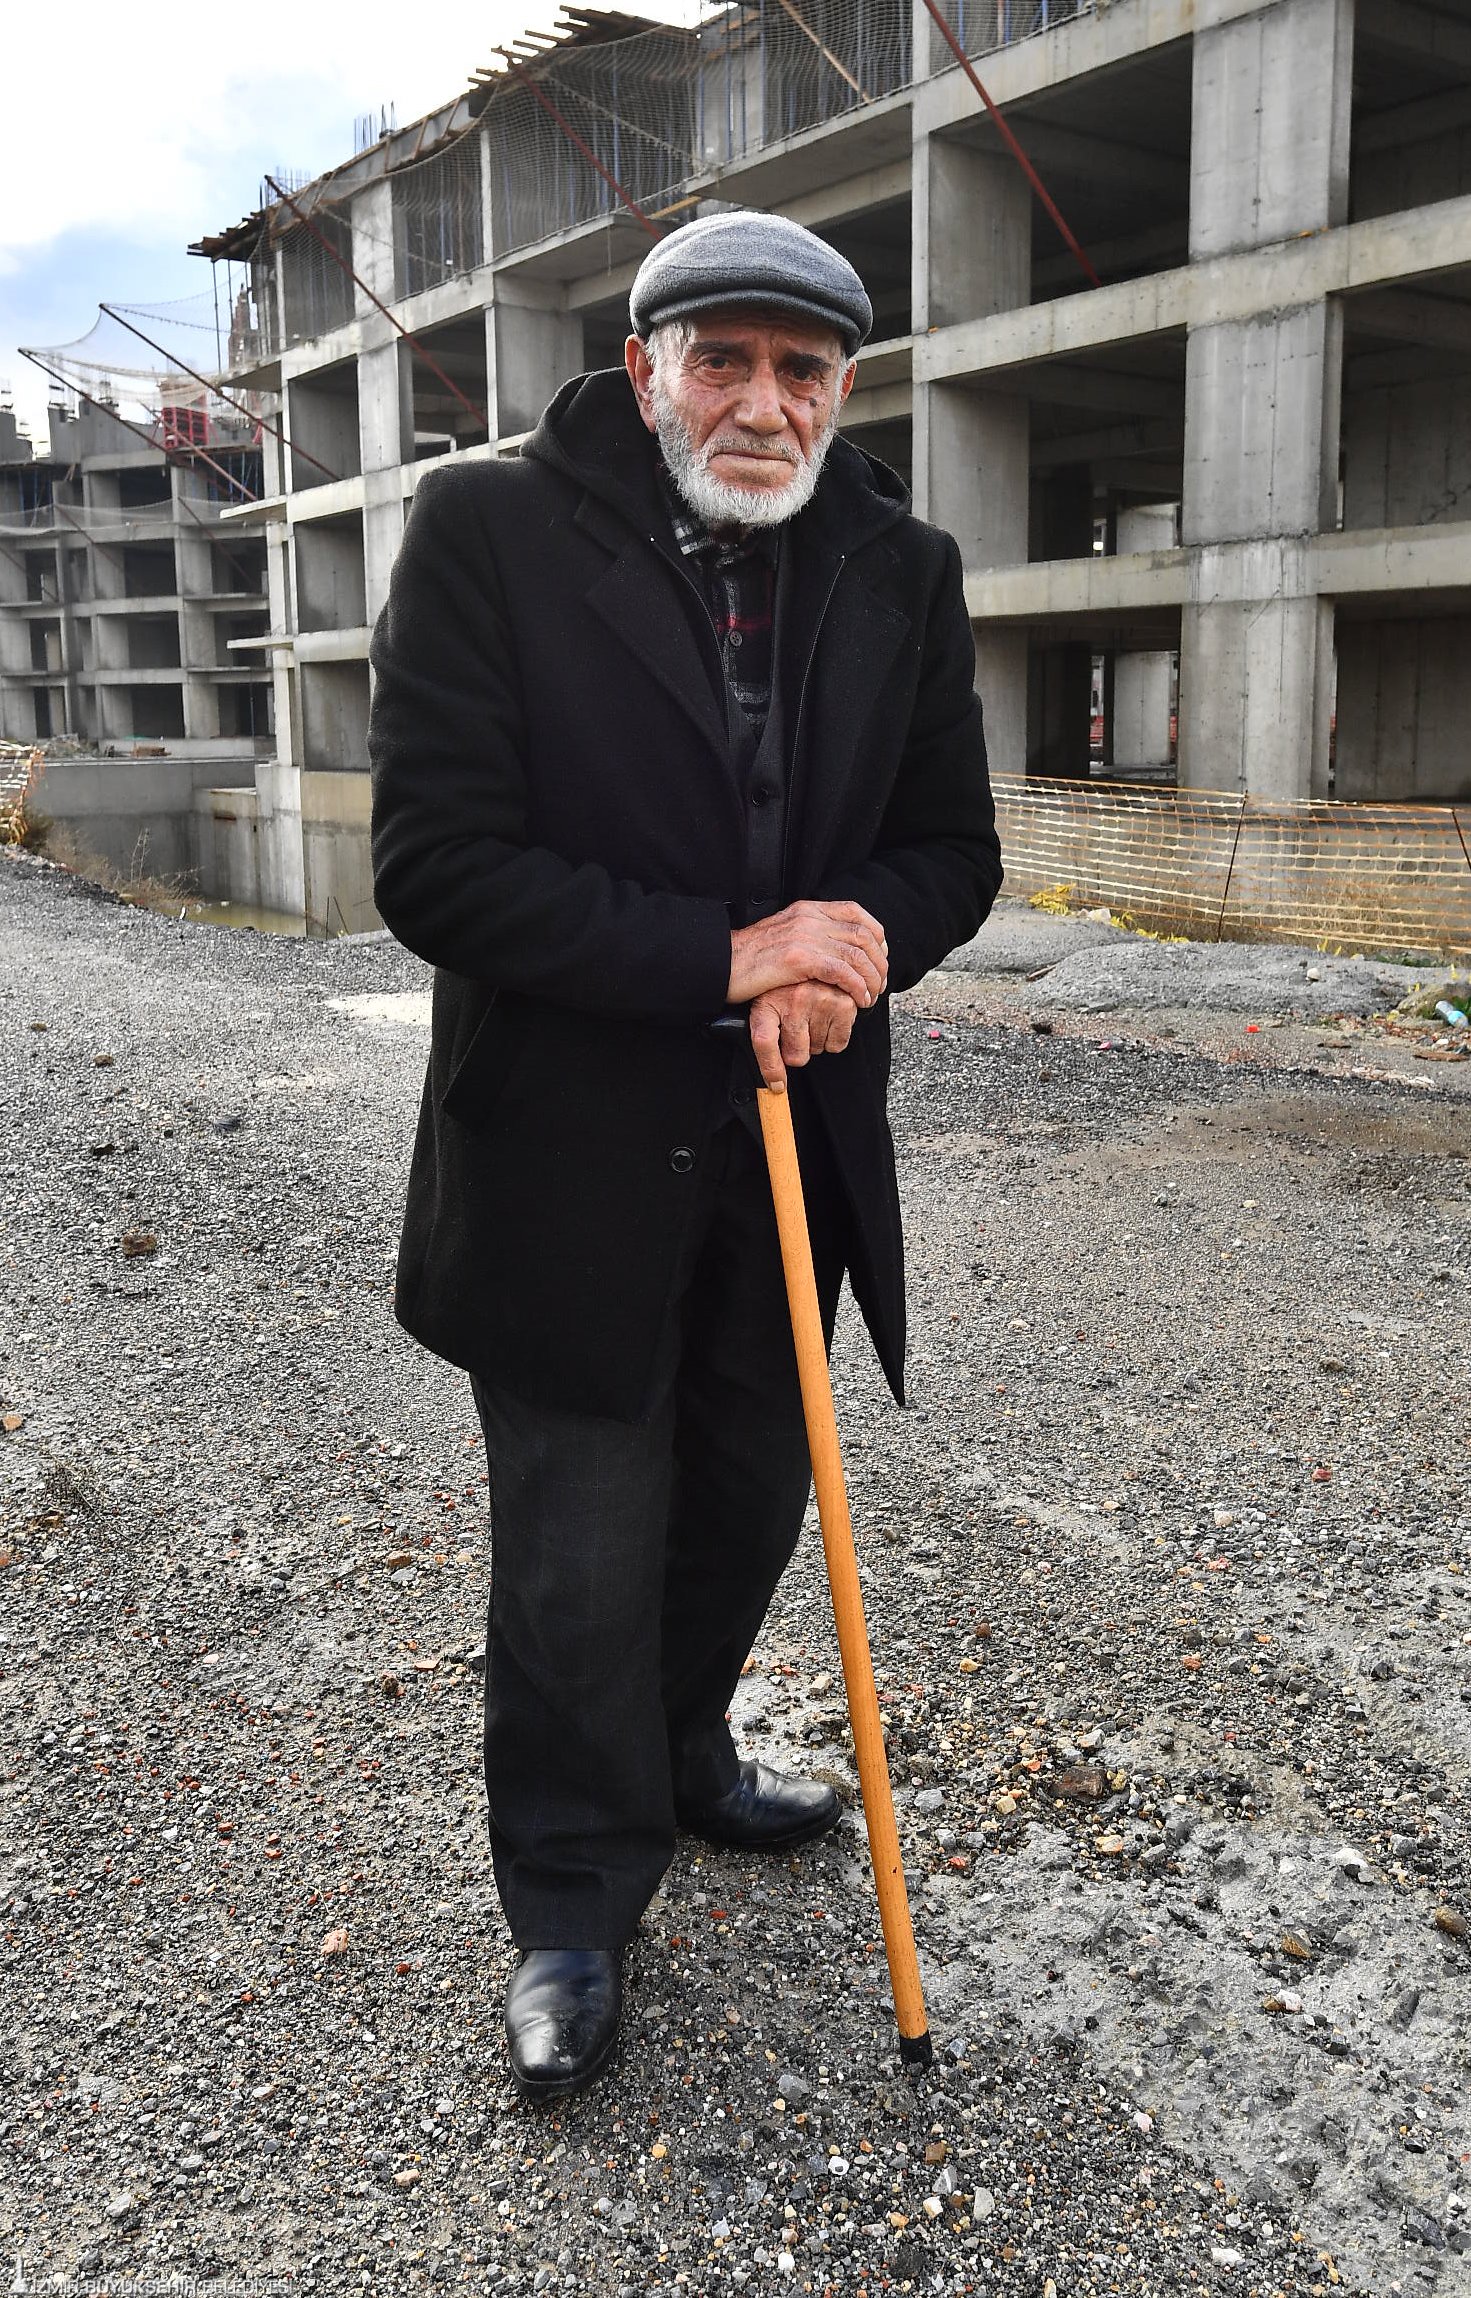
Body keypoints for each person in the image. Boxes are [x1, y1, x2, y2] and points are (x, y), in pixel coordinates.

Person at [368, 210, 1002, 2100]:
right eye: (722, 357)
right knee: (578, 1540)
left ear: (844, 391)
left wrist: (848, 946)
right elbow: (439, 867)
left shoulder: (901, 565)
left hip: (792, 1137)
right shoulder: (488, 531)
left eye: (801, 369)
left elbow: (950, 848)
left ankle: (680, 1752)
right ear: (645, 368)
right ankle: (572, 1899)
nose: (761, 401)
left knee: (742, 1494)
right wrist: (731, 956)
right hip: (565, 1150)